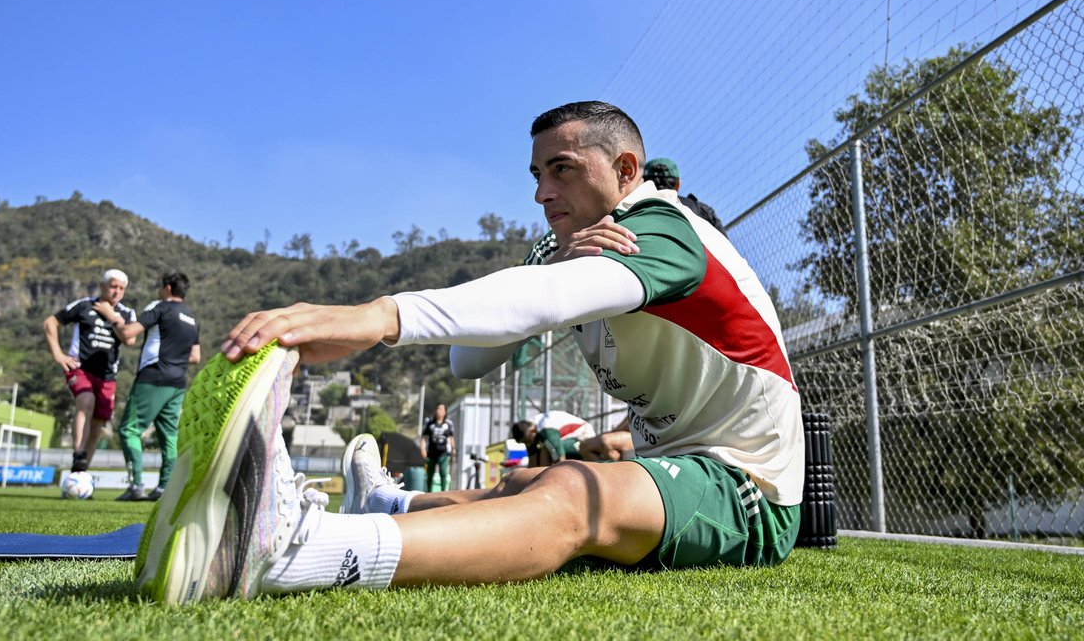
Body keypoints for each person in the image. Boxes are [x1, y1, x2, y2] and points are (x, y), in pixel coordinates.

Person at [136, 100, 802, 602]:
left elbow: (539, 305)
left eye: (563, 170)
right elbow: (469, 360)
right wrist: (550, 268)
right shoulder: (586, 250)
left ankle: (301, 553)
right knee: (520, 483)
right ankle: (390, 510)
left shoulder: (662, 231)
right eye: (538, 174)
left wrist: (374, 316)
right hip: (680, 468)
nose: (543, 193)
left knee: (576, 489)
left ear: (626, 170)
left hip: (749, 488)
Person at [94, 272, 201, 502]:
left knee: (129, 429)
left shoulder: (160, 308)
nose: (159, 291)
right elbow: (195, 356)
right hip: (178, 382)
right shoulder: (192, 318)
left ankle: (136, 486)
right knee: (169, 435)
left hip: (154, 377)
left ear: (169, 288)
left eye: (161, 287)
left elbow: (128, 333)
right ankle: (165, 488)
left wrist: (111, 316)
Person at [42, 269, 137, 473]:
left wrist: (111, 316)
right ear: (103, 286)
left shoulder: (127, 314)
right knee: (86, 401)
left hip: (107, 376)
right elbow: (50, 322)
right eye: (113, 286)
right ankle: (78, 452)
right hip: (80, 368)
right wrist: (58, 355)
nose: (117, 292)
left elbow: (130, 340)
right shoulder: (84, 305)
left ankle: (81, 472)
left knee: (97, 426)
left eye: (121, 289)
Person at [511, 410, 596, 467]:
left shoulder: (546, 429)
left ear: (532, 431)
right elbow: (532, 460)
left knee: (546, 450)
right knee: (543, 449)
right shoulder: (529, 428)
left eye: (527, 441)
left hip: (583, 438)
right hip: (564, 439)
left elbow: (560, 458)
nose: (527, 444)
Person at [420, 403, 455, 491]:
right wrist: (423, 449)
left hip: (444, 453)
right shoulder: (430, 423)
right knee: (429, 474)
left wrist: (453, 450)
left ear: (445, 412)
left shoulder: (448, 424)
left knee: (443, 473)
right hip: (431, 452)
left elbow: (451, 438)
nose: (438, 411)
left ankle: (443, 492)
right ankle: (428, 492)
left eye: (441, 409)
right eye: (437, 409)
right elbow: (424, 437)